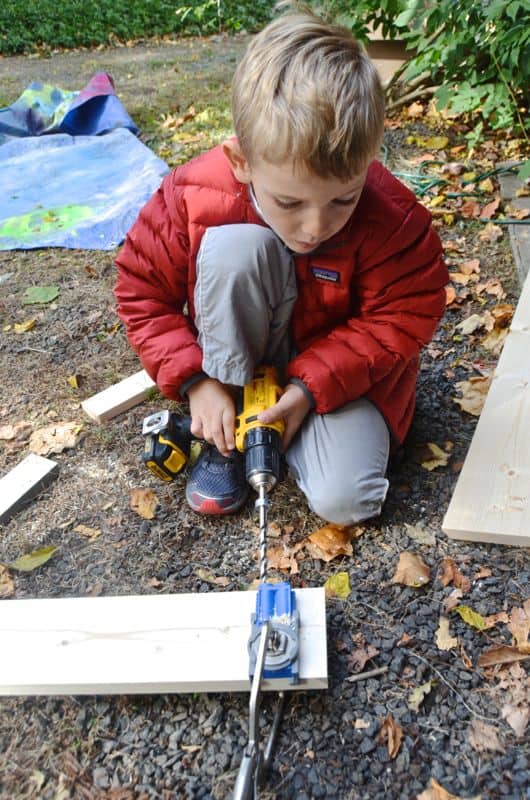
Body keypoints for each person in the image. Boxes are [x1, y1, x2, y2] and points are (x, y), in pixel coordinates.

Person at [114, 2, 448, 524]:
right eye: (290, 203)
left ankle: (276, 428)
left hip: (337, 372)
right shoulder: (193, 193)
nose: (316, 227)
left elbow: (402, 318)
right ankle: (225, 430)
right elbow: (142, 292)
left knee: (346, 501)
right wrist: (196, 384)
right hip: (236, 358)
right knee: (233, 249)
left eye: (343, 199)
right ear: (241, 162)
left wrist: (305, 392)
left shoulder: (395, 219)